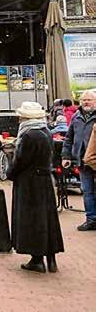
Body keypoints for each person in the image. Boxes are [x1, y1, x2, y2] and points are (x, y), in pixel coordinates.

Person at [7, 102, 64, 273]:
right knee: (48, 218)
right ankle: (51, 259)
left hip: (30, 183)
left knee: (33, 220)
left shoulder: (29, 135)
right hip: (45, 180)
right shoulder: (46, 132)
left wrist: (10, 172)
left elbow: (21, 161)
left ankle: (37, 259)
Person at [61, 89, 96, 230]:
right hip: (81, 160)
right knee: (87, 191)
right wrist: (66, 156)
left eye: (89, 100)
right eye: (84, 100)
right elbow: (69, 138)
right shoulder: (76, 117)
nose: (86, 102)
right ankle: (91, 219)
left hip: (94, 159)